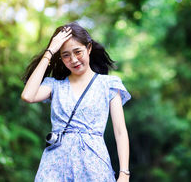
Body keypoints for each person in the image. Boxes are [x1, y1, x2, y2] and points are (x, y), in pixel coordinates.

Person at [21, 22, 131, 182]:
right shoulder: (54, 85)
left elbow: (120, 132)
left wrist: (124, 173)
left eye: (77, 52)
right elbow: (28, 96)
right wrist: (50, 51)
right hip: (55, 166)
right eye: (65, 55)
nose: (73, 59)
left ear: (89, 48)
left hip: (94, 165)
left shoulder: (109, 85)